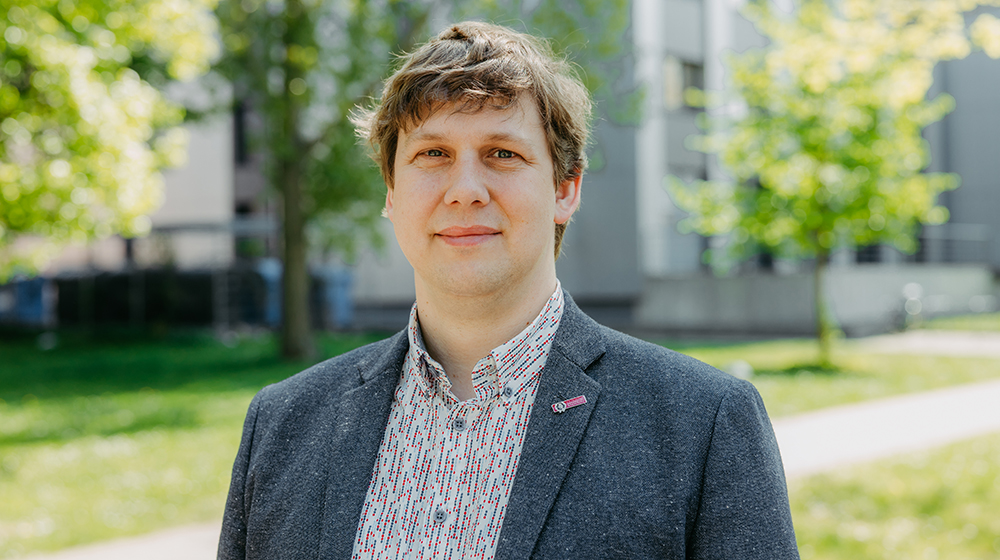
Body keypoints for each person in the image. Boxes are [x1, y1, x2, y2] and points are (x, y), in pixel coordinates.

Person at [218, 21, 799, 560]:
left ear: (565, 188)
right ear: (392, 192)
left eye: (502, 153)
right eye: (433, 154)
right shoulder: (283, 425)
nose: (465, 188)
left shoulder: (703, 425)